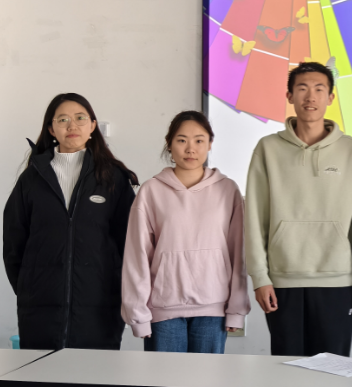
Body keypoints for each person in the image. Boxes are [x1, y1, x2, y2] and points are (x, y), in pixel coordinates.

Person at [245, 62, 352, 356]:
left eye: (319, 89)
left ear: (330, 97)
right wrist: (260, 278)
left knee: (332, 369)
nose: (310, 97)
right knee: (286, 369)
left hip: (338, 280)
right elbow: (254, 217)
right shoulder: (267, 149)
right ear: (289, 96)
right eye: (302, 88)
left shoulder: (351, 151)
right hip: (283, 279)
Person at [3, 93, 138, 350]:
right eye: (63, 119)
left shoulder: (113, 178)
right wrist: (28, 287)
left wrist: (118, 287)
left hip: (100, 304)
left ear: (93, 126)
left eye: (80, 118)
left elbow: (129, 242)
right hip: (40, 306)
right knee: (42, 370)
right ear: (51, 128)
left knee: (94, 370)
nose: (72, 125)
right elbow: (13, 241)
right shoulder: (31, 179)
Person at [121, 111, 249, 353]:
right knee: (164, 375)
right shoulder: (151, 191)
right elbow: (137, 256)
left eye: (199, 140)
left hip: (214, 309)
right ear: (169, 144)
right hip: (163, 310)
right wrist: (138, 313)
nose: (191, 149)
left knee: (207, 375)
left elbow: (238, 253)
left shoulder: (228, 190)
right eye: (182, 140)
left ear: (210, 144)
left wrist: (237, 309)